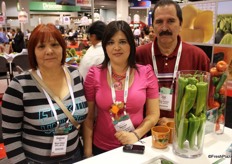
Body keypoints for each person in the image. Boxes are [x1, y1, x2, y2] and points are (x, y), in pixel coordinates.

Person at [1, 23, 88, 164]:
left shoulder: (76, 76)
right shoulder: (19, 85)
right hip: (35, 160)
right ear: (33, 52)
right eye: (41, 46)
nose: (49, 51)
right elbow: (11, 134)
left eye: (54, 45)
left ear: (62, 48)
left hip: (75, 156)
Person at [83, 20, 160, 158]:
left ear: (131, 44)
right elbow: (88, 119)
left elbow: (153, 114)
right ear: (105, 46)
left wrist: (136, 134)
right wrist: (88, 153)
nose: (116, 47)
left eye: (122, 42)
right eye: (111, 42)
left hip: (136, 145)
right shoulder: (94, 74)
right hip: (101, 148)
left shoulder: (146, 73)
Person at [136, 0, 210, 125]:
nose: (164, 27)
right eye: (159, 22)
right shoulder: (139, 55)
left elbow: (205, 103)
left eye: (171, 21)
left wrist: (176, 122)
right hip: (144, 132)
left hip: (183, 133)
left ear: (180, 24)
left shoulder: (198, 57)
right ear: (152, 25)